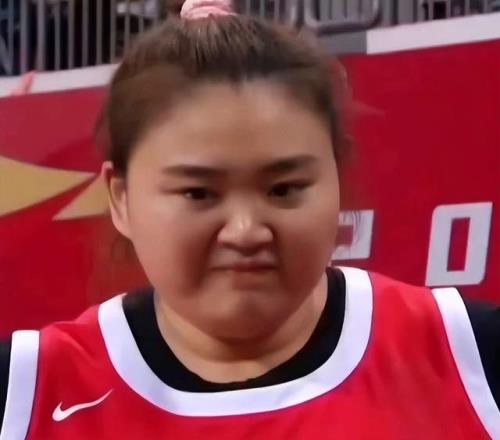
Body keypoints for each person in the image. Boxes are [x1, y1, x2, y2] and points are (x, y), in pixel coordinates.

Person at [0, 0, 499, 438]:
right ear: (121, 198)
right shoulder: (26, 393)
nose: (245, 232)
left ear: (336, 175)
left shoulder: (468, 355)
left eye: (284, 189)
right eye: (198, 193)